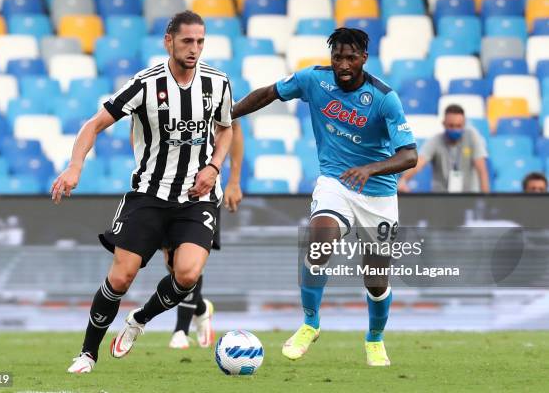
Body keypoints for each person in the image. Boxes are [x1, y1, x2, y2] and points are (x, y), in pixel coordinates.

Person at [51, 10, 234, 373]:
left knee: (187, 274)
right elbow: (94, 124)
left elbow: (226, 129)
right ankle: (88, 353)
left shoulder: (218, 83)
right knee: (120, 277)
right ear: (169, 41)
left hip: (196, 198)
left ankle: (140, 320)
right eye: (186, 41)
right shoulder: (146, 84)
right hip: (149, 195)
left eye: (200, 41)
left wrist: (214, 167)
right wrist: (75, 166)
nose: (194, 49)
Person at [231, 28, 417, 366]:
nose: (343, 64)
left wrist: (371, 169)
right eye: (337, 57)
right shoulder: (313, 81)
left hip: (378, 195)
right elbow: (269, 94)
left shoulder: (384, 97)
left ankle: (374, 339)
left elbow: (409, 156)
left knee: (376, 281)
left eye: (350, 58)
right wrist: (228, 114)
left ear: (364, 58)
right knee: (319, 240)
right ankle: (310, 322)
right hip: (336, 183)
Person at [166, 120, 244, 349]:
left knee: (189, 263)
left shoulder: (215, 86)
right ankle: (201, 309)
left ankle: (181, 330)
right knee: (173, 266)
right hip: (164, 189)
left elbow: (235, 127)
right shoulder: (154, 87)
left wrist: (234, 181)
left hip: (203, 191)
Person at [398, 104, 490, 193]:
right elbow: (419, 162)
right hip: (441, 198)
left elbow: (481, 169)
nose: (455, 129)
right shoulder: (436, 140)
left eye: (458, 126)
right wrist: (403, 180)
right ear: (444, 124)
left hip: (469, 197)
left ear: (464, 124)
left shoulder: (472, 136)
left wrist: (485, 200)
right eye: (451, 125)